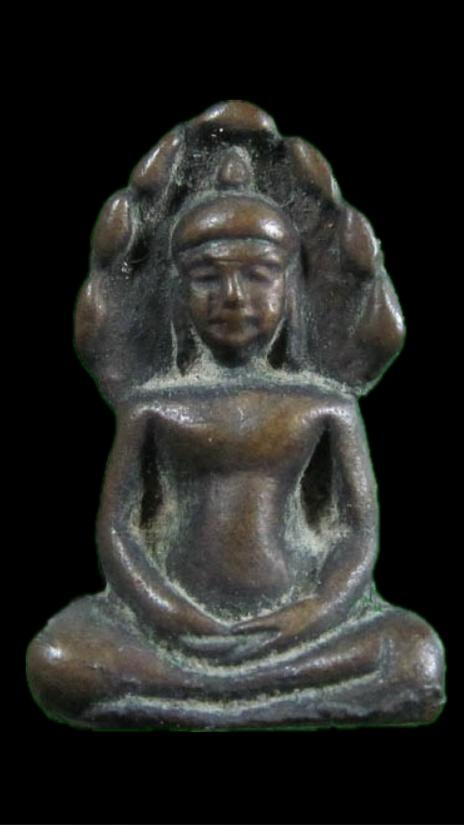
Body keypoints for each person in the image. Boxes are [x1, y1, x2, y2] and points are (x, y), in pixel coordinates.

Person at [26, 102, 445, 729]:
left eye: (258, 276)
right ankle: (268, 699)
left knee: (414, 654)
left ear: (290, 288)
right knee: (60, 656)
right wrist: (170, 614)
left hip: (300, 628)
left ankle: (193, 700)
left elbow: (357, 534)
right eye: (208, 277)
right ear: (176, 290)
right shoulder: (152, 406)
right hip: (177, 627)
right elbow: (119, 532)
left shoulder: (324, 404)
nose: (232, 297)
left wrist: (314, 613)